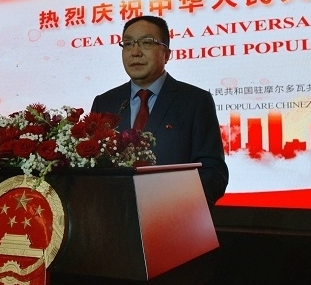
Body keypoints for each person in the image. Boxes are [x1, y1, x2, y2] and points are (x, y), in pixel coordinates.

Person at [91, 15, 228, 205]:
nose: (135, 52)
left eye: (147, 42)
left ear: (167, 54)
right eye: (128, 44)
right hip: (114, 217)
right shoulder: (105, 103)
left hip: (174, 216)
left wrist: (178, 206)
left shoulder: (195, 101)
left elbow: (214, 172)